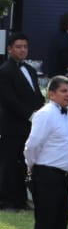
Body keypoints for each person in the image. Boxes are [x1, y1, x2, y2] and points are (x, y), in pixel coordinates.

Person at [23, 75, 68, 229]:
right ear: (51, 93)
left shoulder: (66, 116)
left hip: (63, 176)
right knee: (46, 220)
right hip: (46, 174)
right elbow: (32, 145)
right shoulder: (46, 114)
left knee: (60, 221)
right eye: (63, 91)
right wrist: (32, 167)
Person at [0, 33, 44, 209]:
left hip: (29, 125)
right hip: (11, 125)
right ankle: (6, 200)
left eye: (25, 47)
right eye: (18, 47)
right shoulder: (4, 71)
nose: (22, 50)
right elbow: (9, 100)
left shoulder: (31, 70)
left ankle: (20, 199)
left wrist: (41, 111)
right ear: (10, 49)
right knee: (9, 163)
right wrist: (30, 115)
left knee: (24, 163)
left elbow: (37, 94)